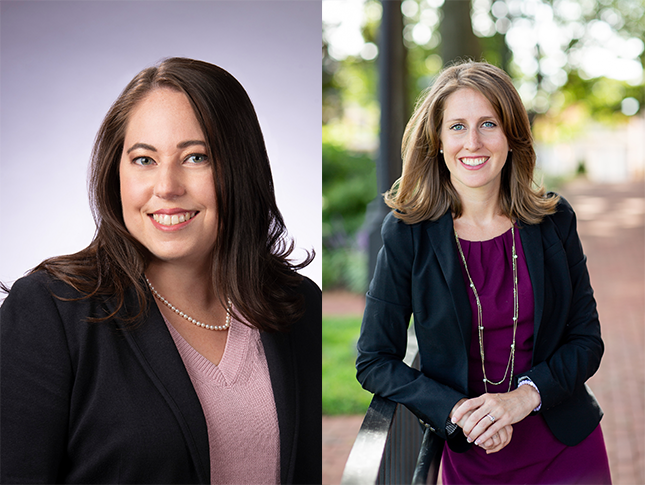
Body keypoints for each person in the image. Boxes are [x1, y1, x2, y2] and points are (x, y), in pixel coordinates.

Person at [1, 57, 321, 484]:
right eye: (144, 160)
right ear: (116, 172)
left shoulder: (298, 307)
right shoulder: (50, 312)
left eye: (196, 156)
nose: (167, 186)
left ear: (241, 167)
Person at [356, 61, 611, 484]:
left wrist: (521, 399)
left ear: (511, 136)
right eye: (457, 126)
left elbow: (586, 340)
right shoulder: (407, 234)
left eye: (488, 124)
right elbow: (374, 360)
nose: (472, 142)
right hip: (474, 451)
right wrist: (455, 411)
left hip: (566, 447)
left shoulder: (553, 220)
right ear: (437, 140)